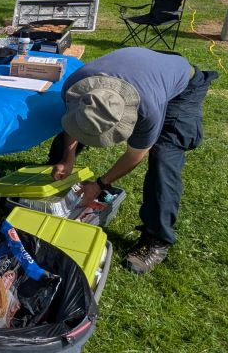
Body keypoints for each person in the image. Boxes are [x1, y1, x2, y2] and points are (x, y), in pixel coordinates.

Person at [49, 47, 217, 274]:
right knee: (80, 127)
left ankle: (157, 240)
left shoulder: (148, 110)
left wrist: (99, 185)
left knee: (164, 158)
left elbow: (135, 155)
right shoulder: (74, 88)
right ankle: (52, 184)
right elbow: (74, 122)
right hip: (147, 69)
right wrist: (67, 158)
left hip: (182, 86)